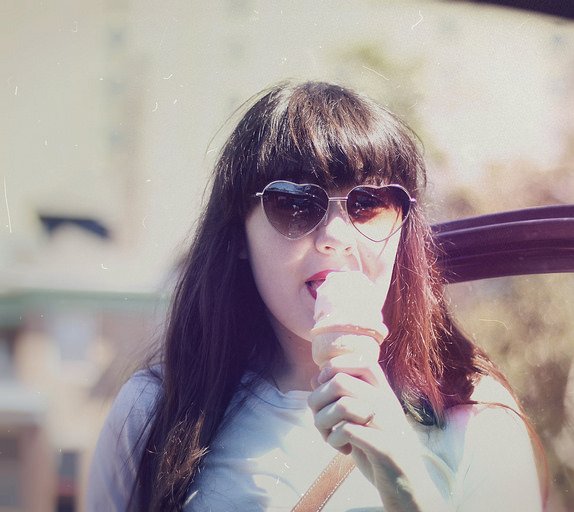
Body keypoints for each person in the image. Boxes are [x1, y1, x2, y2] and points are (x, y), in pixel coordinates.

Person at [86, 80, 545, 511]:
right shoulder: (154, 411)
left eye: (370, 204)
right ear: (238, 237)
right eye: (295, 203)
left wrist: (407, 483)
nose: (337, 235)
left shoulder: (477, 418)